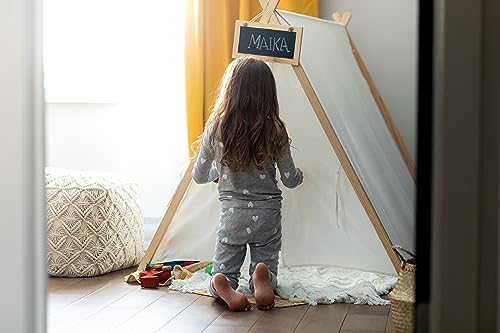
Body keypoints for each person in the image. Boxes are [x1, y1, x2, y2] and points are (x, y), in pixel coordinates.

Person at [192, 57, 303, 311]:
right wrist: (298, 175)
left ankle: (222, 284)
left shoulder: (216, 127)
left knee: (223, 272)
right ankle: (262, 279)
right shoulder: (275, 129)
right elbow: (289, 179)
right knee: (267, 265)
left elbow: (198, 175)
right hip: (267, 214)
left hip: (233, 216)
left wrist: (217, 173)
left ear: (230, 89)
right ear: (268, 93)